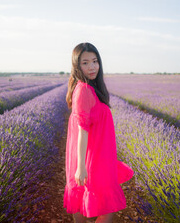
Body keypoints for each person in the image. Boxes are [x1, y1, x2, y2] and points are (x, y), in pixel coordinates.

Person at [64, 42, 134, 223]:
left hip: (99, 153)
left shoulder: (89, 88)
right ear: (77, 66)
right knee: (107, 205)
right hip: (94, 158)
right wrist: (81, 167)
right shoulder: (84, 90)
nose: (92, 66)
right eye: (85, 63)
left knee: (83, 198)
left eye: (95, 61)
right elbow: (82, 131)